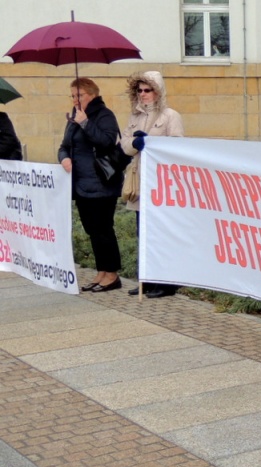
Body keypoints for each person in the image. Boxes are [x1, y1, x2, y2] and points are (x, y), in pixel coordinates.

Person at [119, 71, 185, 298]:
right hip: (140, 180)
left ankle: (167, 283)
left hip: (160, 183)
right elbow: (125, 144)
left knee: (160, 234)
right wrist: (136, 142)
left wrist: (151, 142)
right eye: (139, 90)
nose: (143, 94)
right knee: (143, 233)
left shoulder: (170, 116)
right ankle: (146, 280)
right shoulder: (135, 116)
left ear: (158, 91)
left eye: (148, 90)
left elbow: (175, 149)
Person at [58, 78, 124, 293]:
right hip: (81, 184)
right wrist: (63, 158)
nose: (76, 99)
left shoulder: (104, 115)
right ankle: (102, 271)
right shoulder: (74, 117)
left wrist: (86, 123)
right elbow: (64, 146)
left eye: (80, 95)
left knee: (103, 229)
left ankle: (112, 274)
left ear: (92, 95)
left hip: (102, 183)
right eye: (73, 96)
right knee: (92, 230)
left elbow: (106, 142)